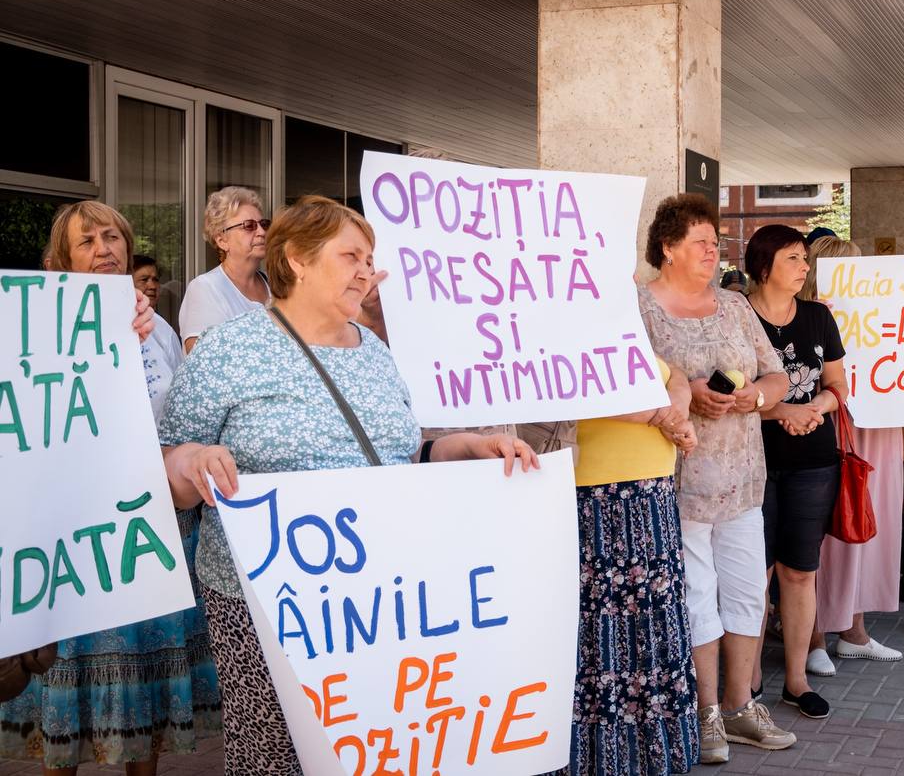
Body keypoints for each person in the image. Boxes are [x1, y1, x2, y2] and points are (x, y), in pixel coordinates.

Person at [158, 195, 538, 775]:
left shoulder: (378, 353)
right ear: (298, 259)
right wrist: (193, 460)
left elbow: (403, 456)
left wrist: (471, 447)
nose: (367, 271)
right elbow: (168, 469)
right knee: (276, 756)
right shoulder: (228, 351)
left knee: (374, 751)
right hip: (267, 605)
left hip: (378, 603)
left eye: (370, 258)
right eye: (351, 256)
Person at [0, 201, 220, 776]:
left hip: (146, 531)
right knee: (62, 688)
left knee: (144, 683)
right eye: (86, 241)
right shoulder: (34, 330)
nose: (104, 249)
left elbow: (178, 418)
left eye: (112, 237)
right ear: (60, 261)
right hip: (75, 539)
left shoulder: (162, 330)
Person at [638, 193, 792, 765]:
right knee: (697, 596)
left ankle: (739, 705)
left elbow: (776, 377)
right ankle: (704, 715)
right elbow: (622, 388)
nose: (713, 250)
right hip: (675, 478)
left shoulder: (733, 305)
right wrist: (683, 395)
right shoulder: (639, 309)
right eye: (701, 241)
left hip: (743, 476)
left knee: (749, 591)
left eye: (715, 241)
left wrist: (754, 396)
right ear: (667, 248)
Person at [565, 359, 700, 774]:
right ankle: (602, 758)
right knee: (602, 631)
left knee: (654, 626)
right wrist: (662, 414)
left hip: (652, 495)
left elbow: (673, 372)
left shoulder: (622, 319)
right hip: (599, 499)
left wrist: (677, 404)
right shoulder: (555, 313)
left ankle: (656, 752)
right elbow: (563, 391)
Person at [741, 225, 847, 720]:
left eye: (805, 258)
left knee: (800, 571)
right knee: (754, 575)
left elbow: (837, 385)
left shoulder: (818, 317)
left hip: (813, 460)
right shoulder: (734, 315)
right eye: (793, 258)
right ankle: (750, 681)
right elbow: (729, 395)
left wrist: (815, 410)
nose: (805, 267)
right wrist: (782, 412)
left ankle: (797, 679)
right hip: (751, 461)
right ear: (764, 265)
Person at [800, 235, 904, 668]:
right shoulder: (808, 317)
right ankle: (813, 635)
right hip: (833, 425)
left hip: (879, 424)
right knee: (826, 532)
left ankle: (855, 629)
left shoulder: (879, 311)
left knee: (862, 524)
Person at [178, 186, 271, 353]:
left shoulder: (276, 285)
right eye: (249, 226)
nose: (262, 232)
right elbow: (205, 362)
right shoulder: (205, 288)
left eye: (263, 224)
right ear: (222, 240)